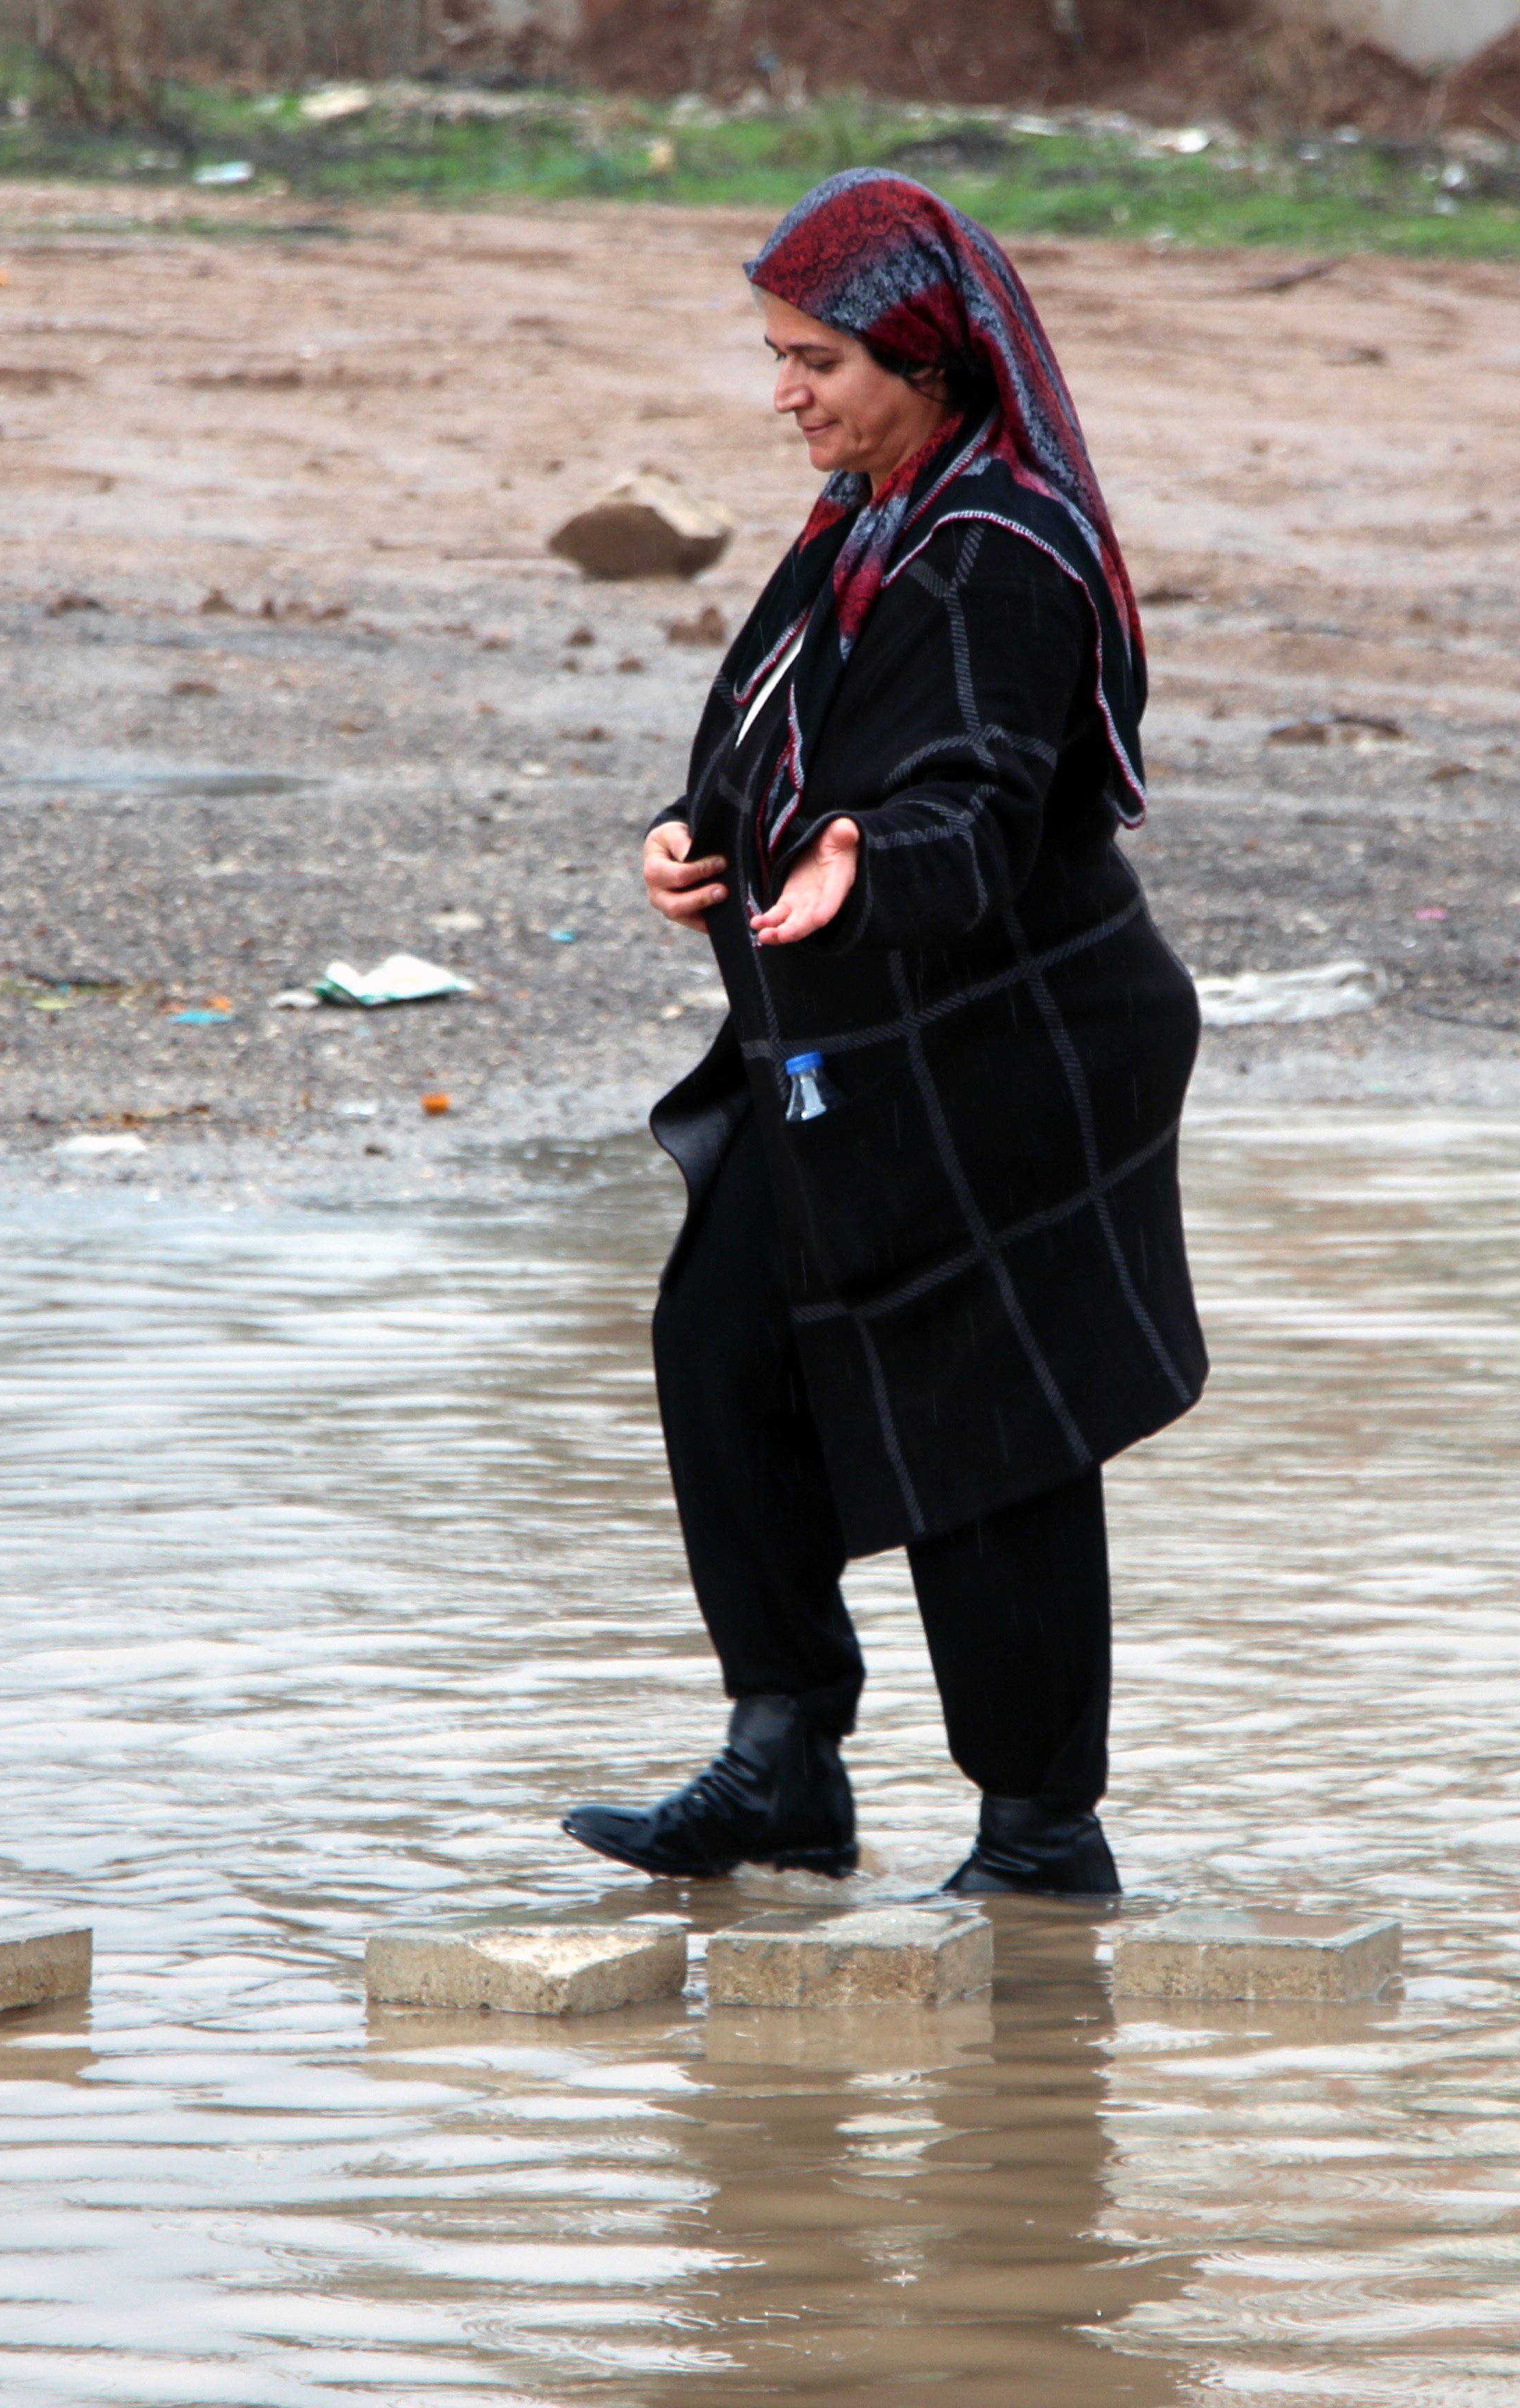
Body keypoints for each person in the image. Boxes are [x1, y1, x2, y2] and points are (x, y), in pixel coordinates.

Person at [561, 170, 1204, 1901]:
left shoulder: (998, 552)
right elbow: (773, 742)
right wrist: (690, 838)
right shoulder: (866, 521)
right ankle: (784, 1764)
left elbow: (976, 803)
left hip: (1007, 1051)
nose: (785, 394)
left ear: (927, 359)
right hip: (854, 1054)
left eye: (817, 360)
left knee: (992, 1429)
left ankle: (1040, 1844)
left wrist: (867, 859)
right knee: (725, 1347)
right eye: (778, 356)